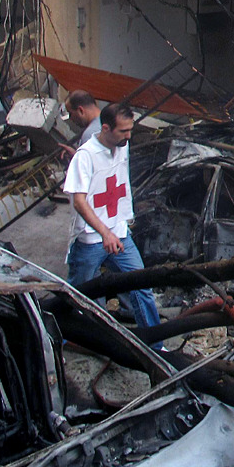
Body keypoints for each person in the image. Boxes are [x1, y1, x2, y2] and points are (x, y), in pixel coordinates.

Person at [62, 102, 161, 334]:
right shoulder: (85, 156)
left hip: (119, 234)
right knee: (79, 296)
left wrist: (120, 224)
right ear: (105, 128)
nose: (129, 136)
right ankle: (69, 338)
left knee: (141, 285)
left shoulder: (122, 145)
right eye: (123, 131)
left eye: (130, 130)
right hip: (90, 241)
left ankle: (157, 344)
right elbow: (79, 201)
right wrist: (104, 232)